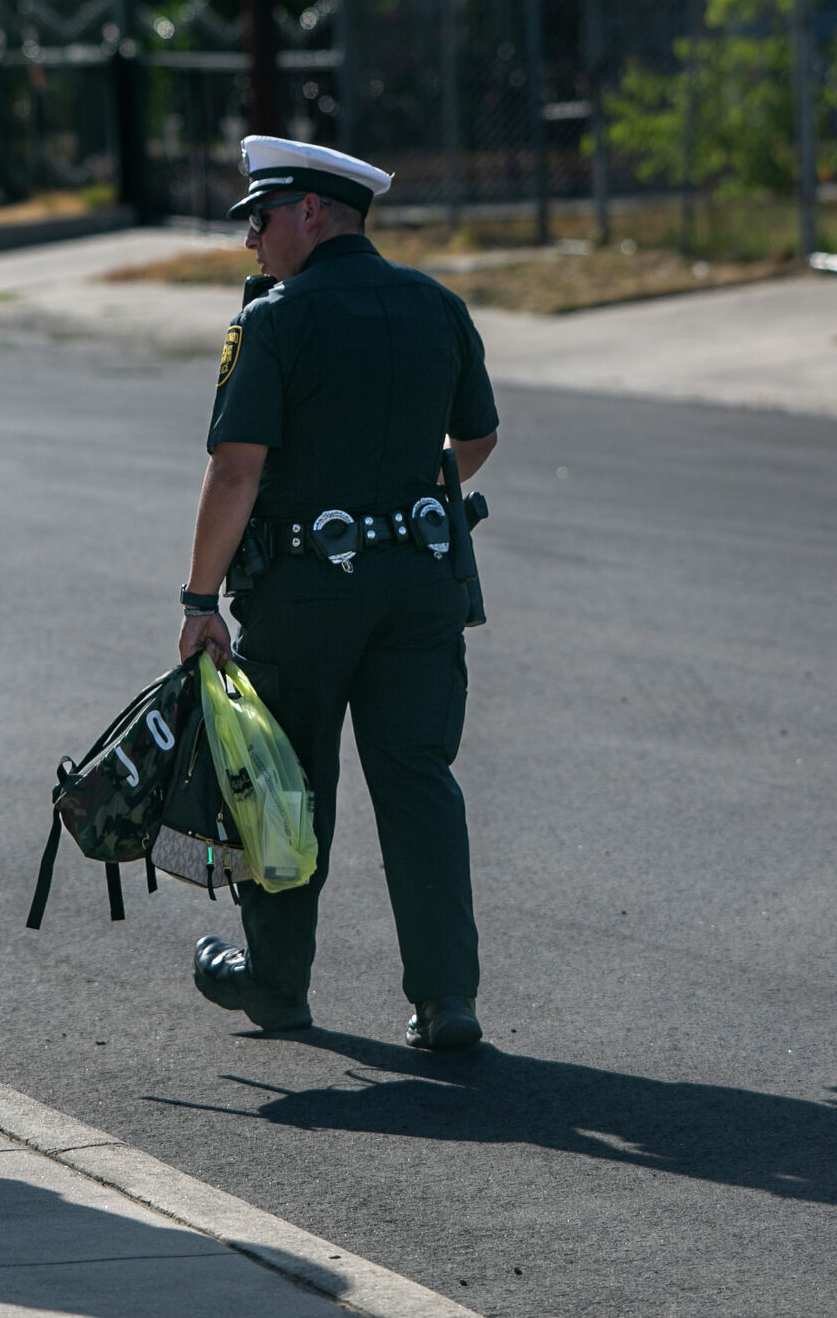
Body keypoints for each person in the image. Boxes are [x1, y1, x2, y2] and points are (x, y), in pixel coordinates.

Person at [177, 136, 499, 1053]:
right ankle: (446, 1000)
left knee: (287, 785)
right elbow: (475, 438)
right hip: (421, 585)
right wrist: (401, 485)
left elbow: (236, 470)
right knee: (418, 784)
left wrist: (200, 599)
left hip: (304, 599)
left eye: (260, 218)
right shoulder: (438, 305)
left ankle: (277, 984)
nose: (251, 241)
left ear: (310, 213)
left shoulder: (274, 321)